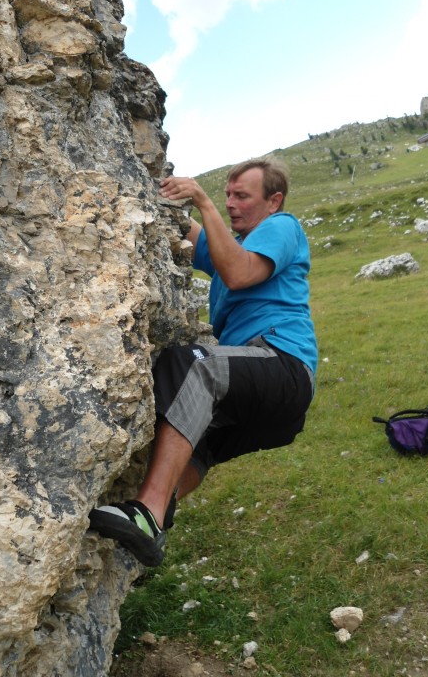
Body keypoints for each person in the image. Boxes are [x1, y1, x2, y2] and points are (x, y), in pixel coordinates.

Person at [89, 157, 317, 567]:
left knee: (191, 364)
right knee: (199, 441)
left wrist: (203, 200)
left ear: (274, 200)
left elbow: (239, 274)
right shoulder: (237, 244)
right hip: (265, 401)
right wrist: (159, 194)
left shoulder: (282, 227)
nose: (230, 203)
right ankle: (159, 514)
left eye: (242, 195)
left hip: (282, 365)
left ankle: (149, 514)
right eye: (227, 194)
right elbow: (191, 234)